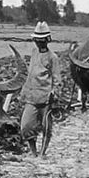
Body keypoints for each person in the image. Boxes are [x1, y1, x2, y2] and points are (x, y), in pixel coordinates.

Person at [19, 21, 58, 157]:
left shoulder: (53, 57)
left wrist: (54, 93)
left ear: (47, 40)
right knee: (26, 126)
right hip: (31, 96)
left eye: (42, 40)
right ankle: (33, 152)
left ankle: (42, 153)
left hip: (45, 97)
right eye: (37, 40)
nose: (40, 43)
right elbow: (30, 72)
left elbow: (56, 78)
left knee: (46, 127)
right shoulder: (34, 52)